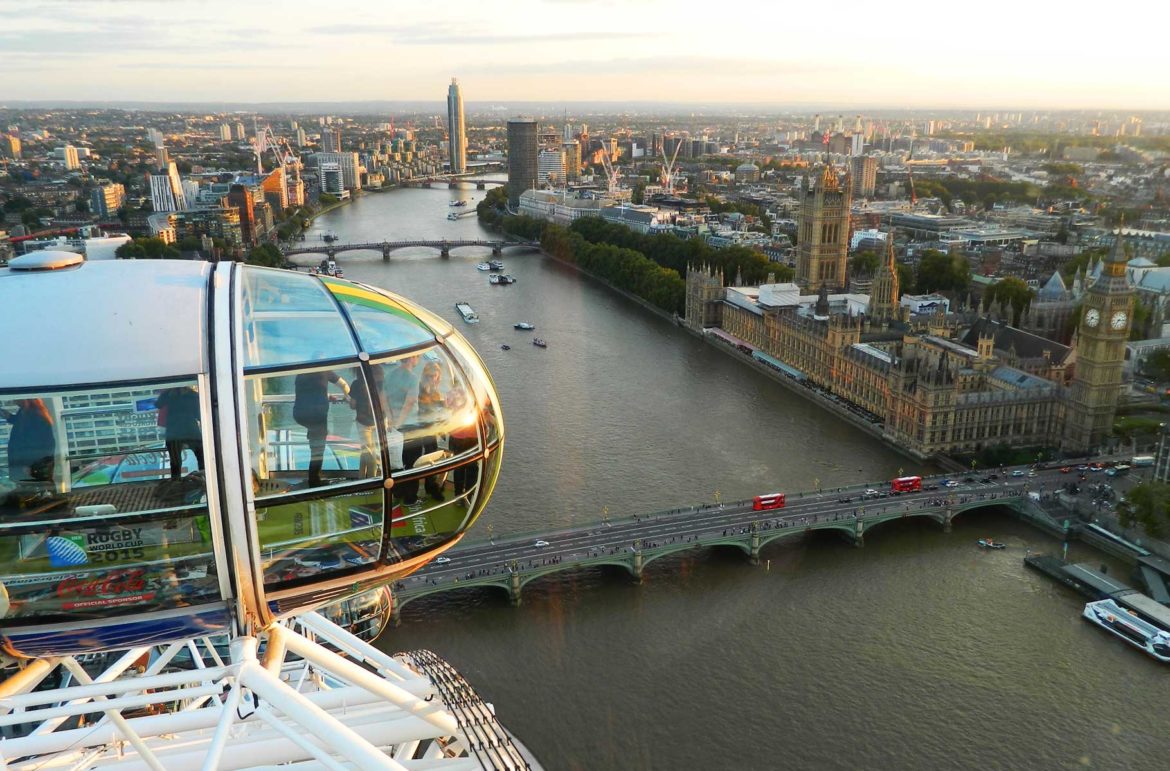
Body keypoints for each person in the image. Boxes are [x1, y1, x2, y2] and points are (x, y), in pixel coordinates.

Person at [293, 368, 350, 488]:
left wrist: (326, 395)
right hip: (316, 416)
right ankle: (314, 481)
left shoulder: (302, 373)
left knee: (316, 446)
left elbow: (310, 391)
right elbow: (344, 385)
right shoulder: (325, 371)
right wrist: (347, 397)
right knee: (318, 450)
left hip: (300, 414)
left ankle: (314, 478)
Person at [2, 399, 56, 486]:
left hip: (29, 466)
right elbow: (23, 425)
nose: (14, 402)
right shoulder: (31, 412)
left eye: (16, 400)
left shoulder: (33, 414)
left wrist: (29, 465)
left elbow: (34, 441)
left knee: (30, 489)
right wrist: (10, 417)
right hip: (29, 465)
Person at [156, 386, 203, 480]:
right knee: (202, 457)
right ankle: (204, 480)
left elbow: (158, 404)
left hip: (174, 433)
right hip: (191, 431)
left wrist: (167, 391)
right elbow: (199, 415)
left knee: (175, 462)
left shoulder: (168, 395)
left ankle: (176, 483)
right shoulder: (192, 395)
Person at [348, 364, 386, 479]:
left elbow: (353, 405)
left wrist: (349, 400)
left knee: (369, 454)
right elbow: (385, 403)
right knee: (369, 451)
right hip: (379, 422)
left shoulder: (356, 384)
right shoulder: (382, 384)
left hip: (363, 422)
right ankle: (364, 479)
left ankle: (368, 481)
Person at [445, 384, 479, 500]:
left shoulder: (454, 392)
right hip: (465, 436)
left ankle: (462, 494)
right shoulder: (474, 392)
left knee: (464, 467)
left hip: (463, 436)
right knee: (469, 467)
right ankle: (466, 494)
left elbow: (447, 406)